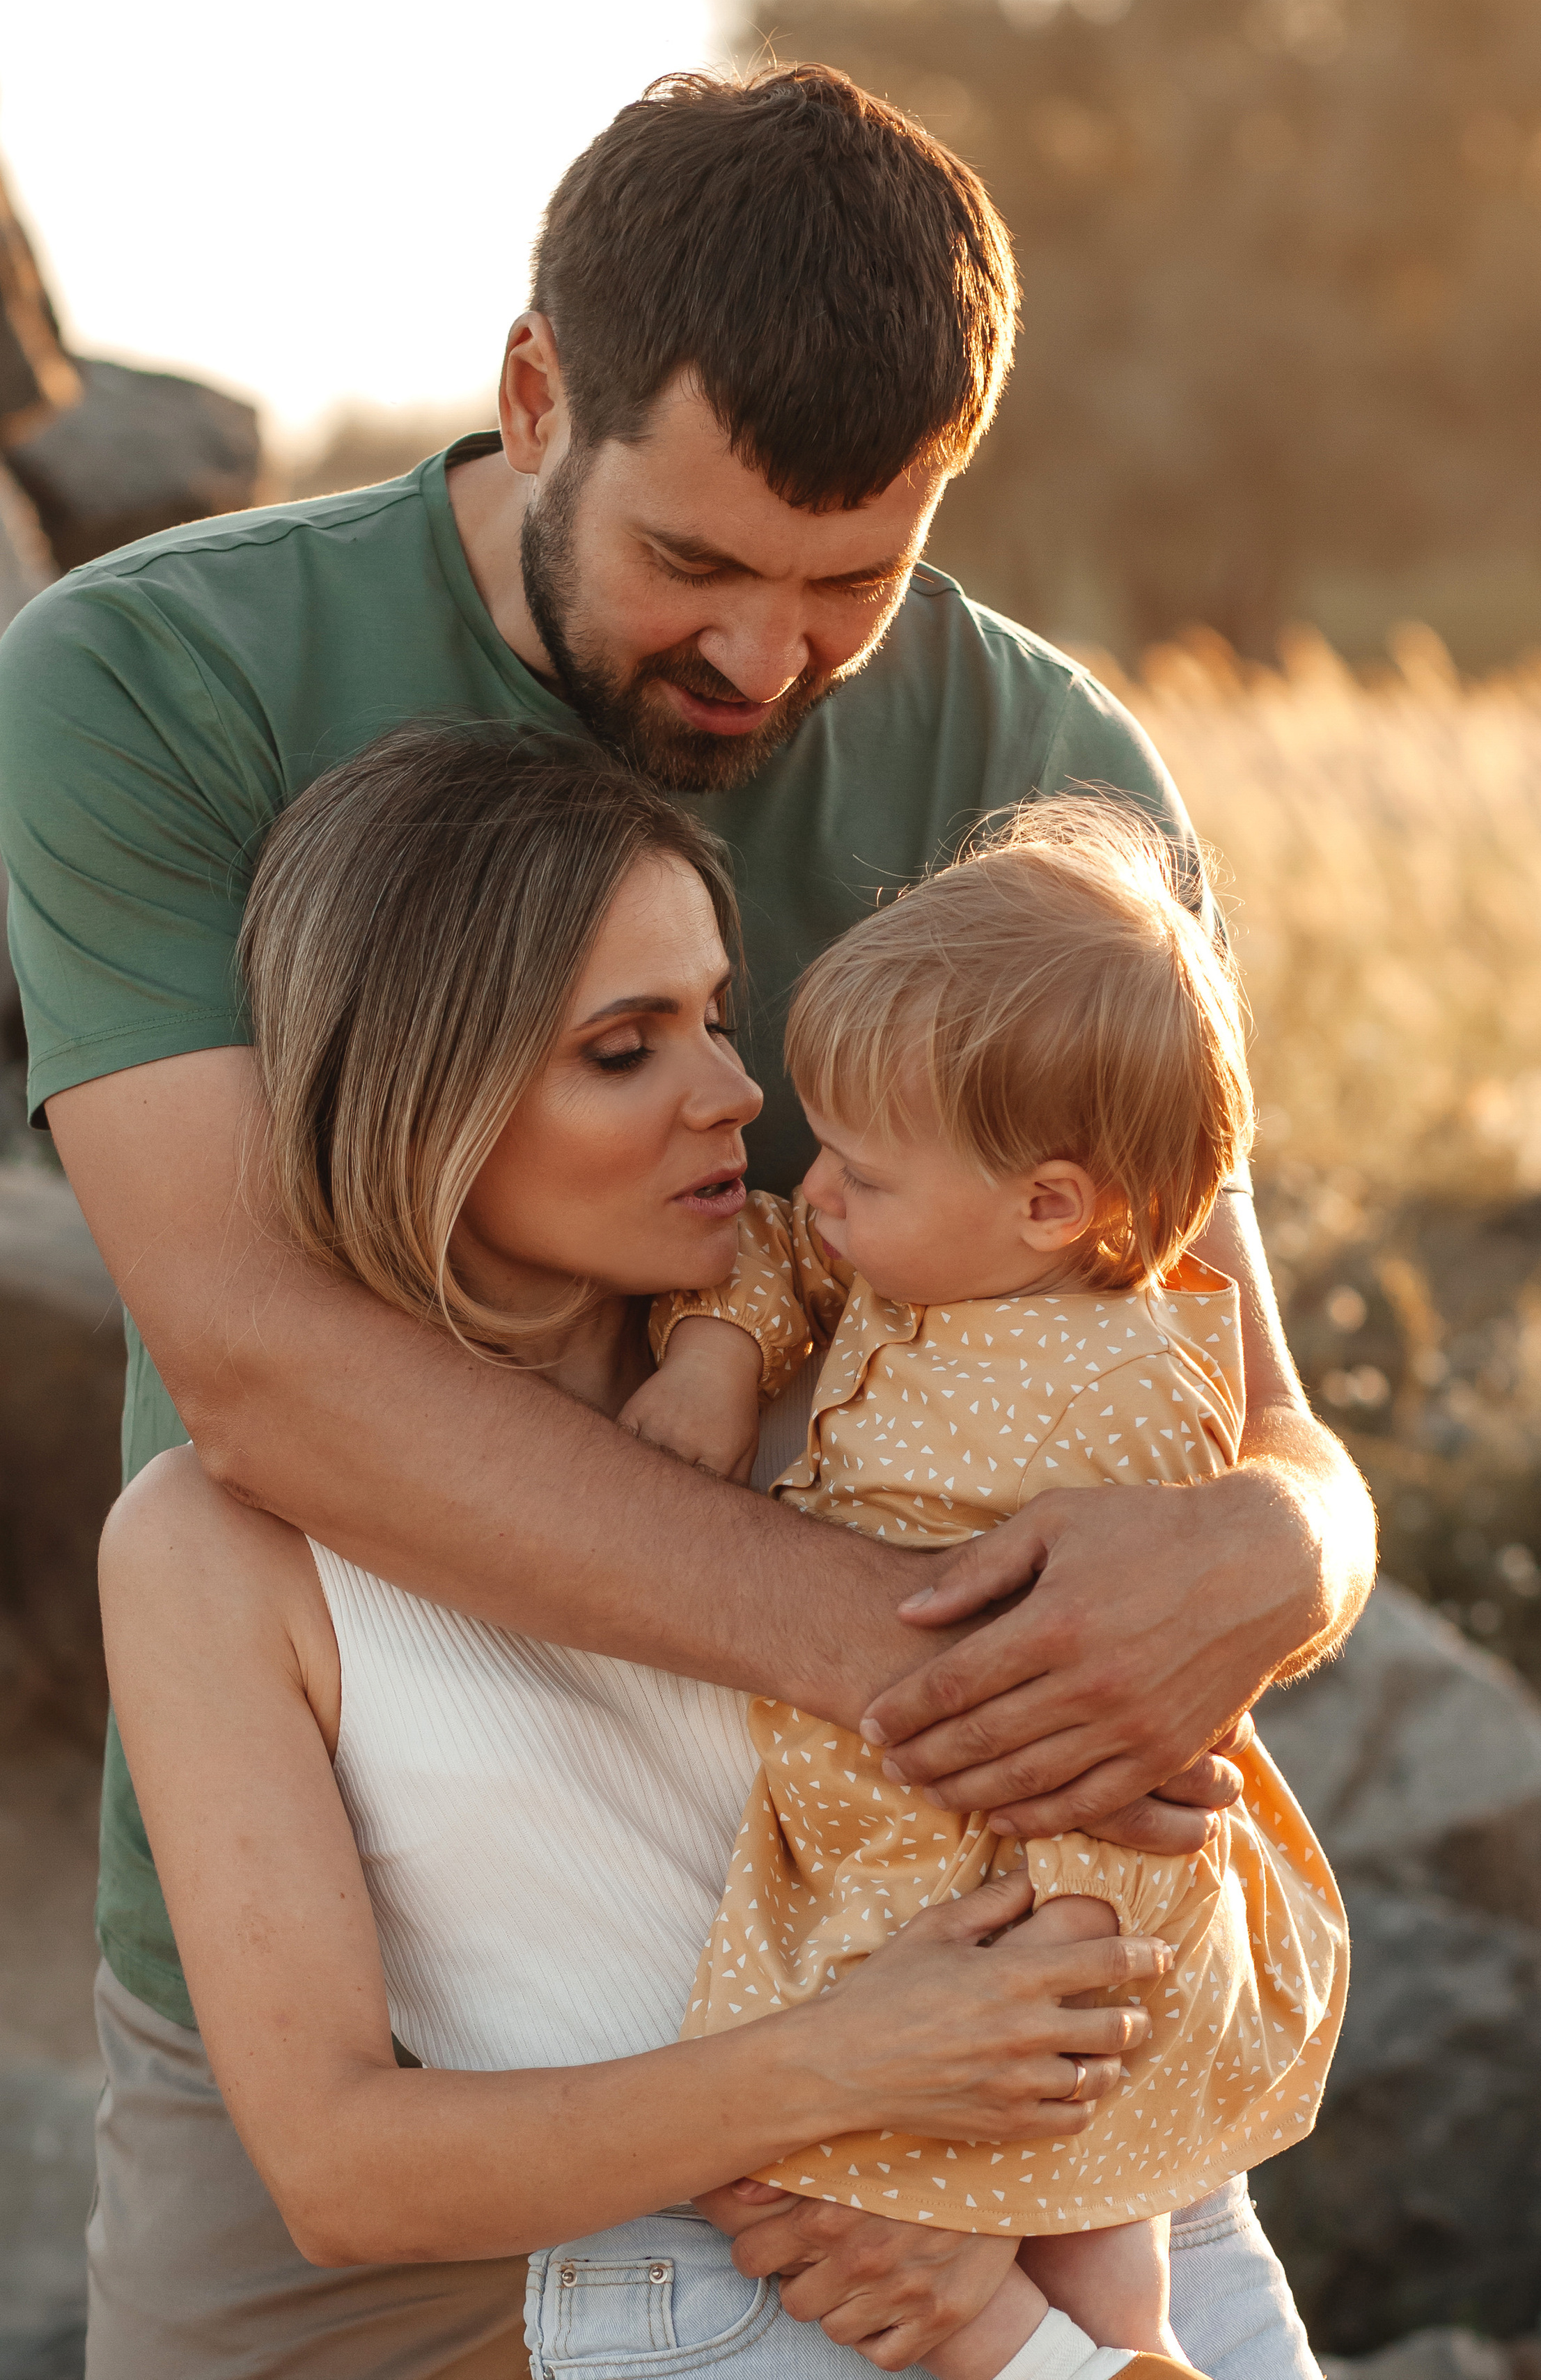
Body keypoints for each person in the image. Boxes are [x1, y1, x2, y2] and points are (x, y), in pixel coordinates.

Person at [0, 63, 1375, 2379]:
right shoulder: (157, 679)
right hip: (358, 1955)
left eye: (854, 583)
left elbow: (1244, 1398)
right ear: (537, 396)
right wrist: (952, 1685)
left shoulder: (1044, 773)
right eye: (698, 567)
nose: (764, 660)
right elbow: (254, 1361)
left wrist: (1284, 1555)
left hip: (909, 1957)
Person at [103, 722, 1190, 2380]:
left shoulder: (887, 1365)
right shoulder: (216, 1547)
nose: (734, 1096)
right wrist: (846, 2073)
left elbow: (1175, 1822)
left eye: (717, 1018)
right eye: (624, 1049)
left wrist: (1021, 2207)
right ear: (421, 1098)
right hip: (735, 2308)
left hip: (1116, 2219)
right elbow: (337, 2172)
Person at [632, 795, 1347, 2372]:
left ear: (1049, 1205)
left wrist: (1050, 1984)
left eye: (861, 1171)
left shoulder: (1130, 1399)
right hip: (882, 1845)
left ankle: (1111, 2350)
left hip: (1038, 1889)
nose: (817, 1190)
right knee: (788, 2181)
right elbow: (780, 1250)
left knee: (1074, 2205)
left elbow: (1114, 1716)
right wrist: (714, 1360)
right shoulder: (924, 1248)